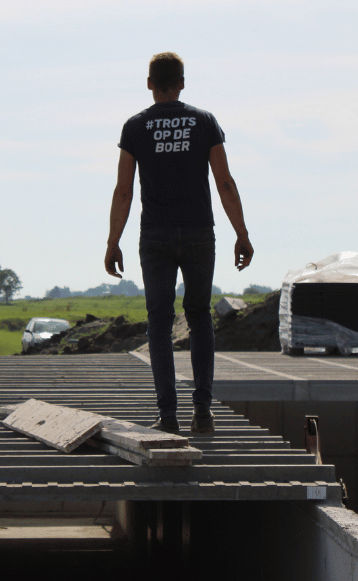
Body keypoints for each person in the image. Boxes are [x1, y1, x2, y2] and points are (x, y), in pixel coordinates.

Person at [104, 52, 253, 435]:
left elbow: (124, 192)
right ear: (182, 83)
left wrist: (113, 240)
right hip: (200, 232)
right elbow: (225, 182)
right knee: (200, 316)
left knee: (159, 322)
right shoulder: (204, 122)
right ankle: (202, 412)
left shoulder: (135, 127)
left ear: (150, 83)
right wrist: (241, 232)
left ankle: (168, 416)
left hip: (155, 235)